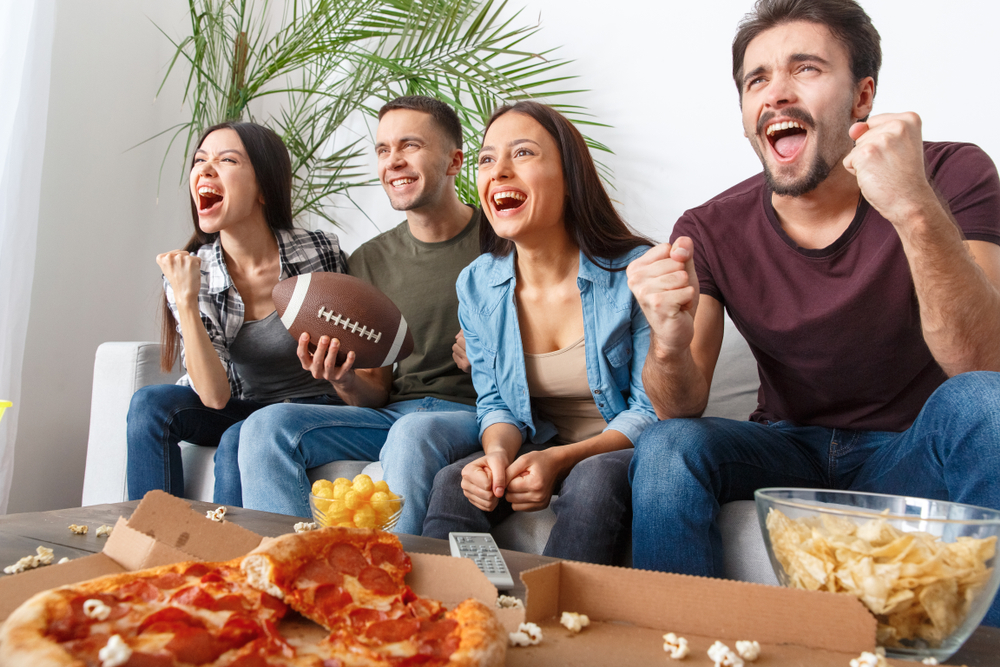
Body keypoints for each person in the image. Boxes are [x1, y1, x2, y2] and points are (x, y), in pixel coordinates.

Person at [626, 0, 1000, 626]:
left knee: (990, 403)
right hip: (786, 452)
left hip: (912, 449)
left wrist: (912, 206)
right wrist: (666, 341)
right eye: (757, 80)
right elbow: (678, 405)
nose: (776, 93)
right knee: (668, 446)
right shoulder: (708, 227)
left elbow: (982, 363)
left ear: (862, 97)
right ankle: (684, 646)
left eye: (805, 69)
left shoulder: (949, 173)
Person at [421, 102, 656, 565]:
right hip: (540, 444)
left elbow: (651, 411)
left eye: (523, 153)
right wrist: (495, 458)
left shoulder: (635, 271)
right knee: (456, 481)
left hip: (616, 449)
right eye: (487, 159)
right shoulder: (477, 282)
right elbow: (497, 403)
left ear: (569, 177)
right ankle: (471, 608)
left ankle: (550, 624)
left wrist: (562, 460)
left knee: (593, 480)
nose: (499, 171)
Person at [237, 96, 483, 534]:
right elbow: (376, 394)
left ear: (454, 161)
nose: (394, 162)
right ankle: (292, 575)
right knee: (264, 426)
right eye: (384, 150)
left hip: (473, 415)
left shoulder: (501, 241)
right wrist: (342, 378)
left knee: (413, 434)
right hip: (394, 414)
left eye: (410, 146)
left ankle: (386, 589)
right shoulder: (369, 260)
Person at [126, 121, 346, 505]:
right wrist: (186, 301)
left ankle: (232, 558)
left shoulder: (318, 251)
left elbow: (356, 345)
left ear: (263, 188)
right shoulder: (195, 273)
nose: (205, 170)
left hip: (316, 406)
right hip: (241, 405)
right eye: (200, 160)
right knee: (148, 405)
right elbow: (213, 397)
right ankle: (155, 543)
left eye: (226, 160)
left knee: (237, 440)